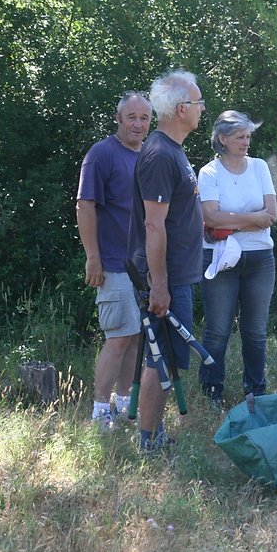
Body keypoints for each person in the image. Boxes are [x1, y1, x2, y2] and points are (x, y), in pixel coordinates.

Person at [127, 69, 205, 451]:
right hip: (165, 277)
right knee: (160, 358)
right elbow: (153, 227)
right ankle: (148, 440)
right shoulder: (159, 155)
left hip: (177, 275)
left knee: (168, 356)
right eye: (197, 102)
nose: (202, 108)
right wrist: (158, 285)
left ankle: (154, 434)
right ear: (179, 109)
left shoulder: (173, 151)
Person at [76, 91, 153, 430]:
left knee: (137, 335)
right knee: (118, 337)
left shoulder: (149, 155)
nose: (138, 123)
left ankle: (123, 403)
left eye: (144, 118)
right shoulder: (102, 154)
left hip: (144, 266)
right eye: (132, 117)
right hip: (113, 263)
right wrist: (93, 257)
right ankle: (99, 411)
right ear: (118, 119)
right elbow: (85, 205)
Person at [197, 111, 277, 408]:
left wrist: (230, 223)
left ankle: (256, 391)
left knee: (255, 330)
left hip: (260, 258)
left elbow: (271, 215)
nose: (246, 142)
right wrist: (252, 220)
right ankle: (211, 392)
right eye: (240, 136)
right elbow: (209, 216)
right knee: (217, 329)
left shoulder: (259, 168)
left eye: (248, 136)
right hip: (220, 258)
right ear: (222, 139)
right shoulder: (209, 172)